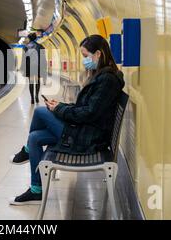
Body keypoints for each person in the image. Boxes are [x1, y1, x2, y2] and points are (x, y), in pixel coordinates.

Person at [9, 35, 125, 205]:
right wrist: (61, 105)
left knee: (41, 111)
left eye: (86, 56)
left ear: (98, 54)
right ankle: (36, 190)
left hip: (89, 138)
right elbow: (85, 108)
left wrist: (59, 109)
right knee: (35, 137)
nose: (85, 60)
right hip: (86, 130)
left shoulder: (107, 80)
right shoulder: (102, 76)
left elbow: (88, 113)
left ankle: (27, 150)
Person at [23, 32, 47, 105]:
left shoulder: (26, 47)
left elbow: (25, 59)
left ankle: (32, 99)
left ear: (29, 38)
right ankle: (37, 96)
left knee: (31, 82)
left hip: (30, 67)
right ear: (36, 38)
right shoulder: (41, 46)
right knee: (37, 81)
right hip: (38, 66)